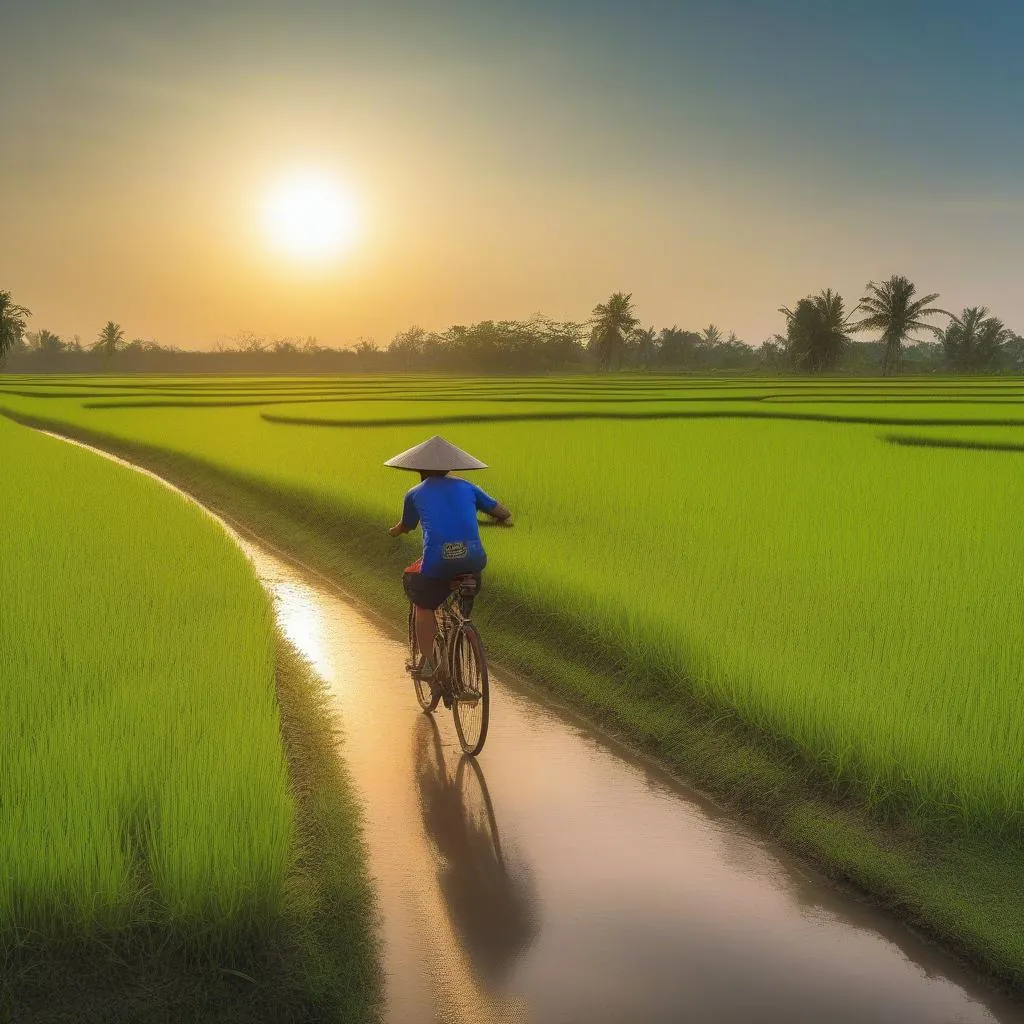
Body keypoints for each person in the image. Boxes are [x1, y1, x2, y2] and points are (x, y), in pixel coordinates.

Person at [386, 436, 511, 688]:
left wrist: (395, 531)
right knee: (460, 601)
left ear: (419, 469)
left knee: (423, 604)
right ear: (449, 467)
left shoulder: (414, 493)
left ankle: (431, 661)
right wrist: (497, 520)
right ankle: (462, 632)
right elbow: (503, 513)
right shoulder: (468, 487)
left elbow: (407, 526)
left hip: (438, 563)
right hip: (474, 561)